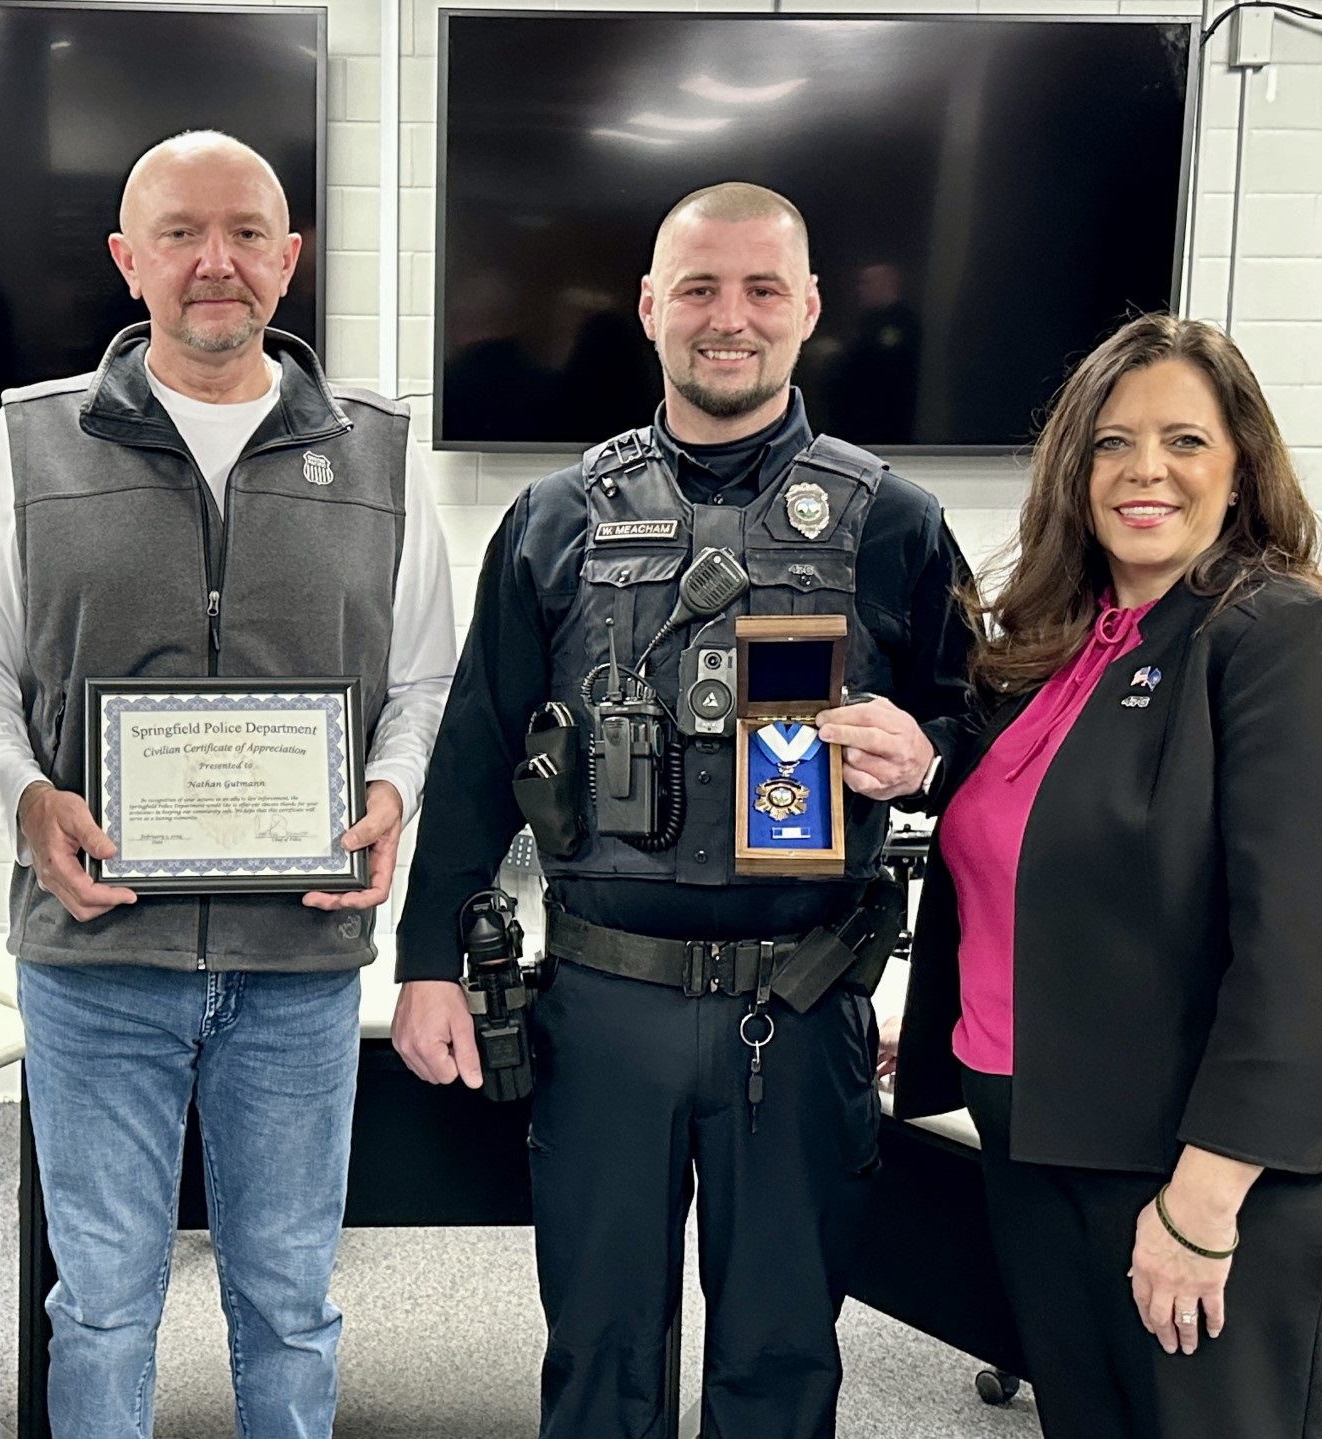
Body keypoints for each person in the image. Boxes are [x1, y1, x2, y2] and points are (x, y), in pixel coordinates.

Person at [393, 181, 974, 1438]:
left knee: (781, 1351)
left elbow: (984, 727)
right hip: (604, 1005)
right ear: (652, 305)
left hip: (803, 1003)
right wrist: (428, 957)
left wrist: (925, 750)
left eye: (762, 289)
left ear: (808, 307)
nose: (731, 318)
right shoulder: (554, 519)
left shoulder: (895, 521)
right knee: (598, 1351)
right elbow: (478, 748)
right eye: (701, 288)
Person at [0, 130, 454, 1438]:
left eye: (244, 233)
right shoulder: (30, 440)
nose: (214, 261)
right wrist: (27, 797)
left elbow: (422, 677)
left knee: (289, 1302)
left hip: (300, 958)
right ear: (129, 259)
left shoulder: (382, 453)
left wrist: (392, 789)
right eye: (180, 233)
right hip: (95, 960)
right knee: (102, 1306)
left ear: (290, 258)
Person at [891, 313, 1322, 1439]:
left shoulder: (1283, 637)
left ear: (1242, 466)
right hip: (1041, 1136)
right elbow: (1030, 865)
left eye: (1184, 440)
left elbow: (1313, 954)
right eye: (1112, 442)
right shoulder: (1056, 645)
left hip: (1205, 1169)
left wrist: (1204, 1201)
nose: (1144, 469)